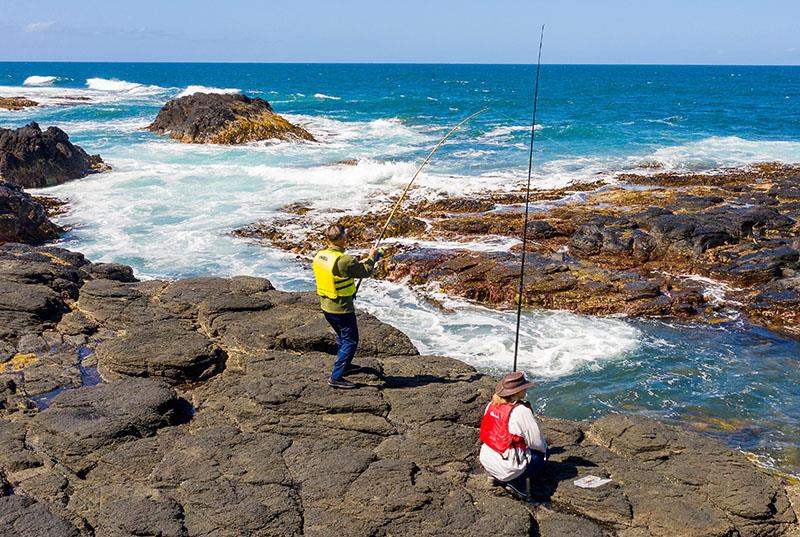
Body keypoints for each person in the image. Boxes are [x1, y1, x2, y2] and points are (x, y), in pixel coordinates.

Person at [312, 224, 381, 389]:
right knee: (350, 341)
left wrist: (368, 259)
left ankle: (346, 365)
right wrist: (372, 257)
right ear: (342, 238)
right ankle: (336, 377)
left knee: (342, 337)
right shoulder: (345, 260)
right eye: (345, 236)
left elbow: (348, 268)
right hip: (341, 308)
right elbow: (365, 272)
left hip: (326, 305)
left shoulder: (321, 255)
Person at [479, 371, 548, 501]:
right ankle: (517, 483)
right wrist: (544, 448)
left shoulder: (492, 404)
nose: (526, 389)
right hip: (507, 467)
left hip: (486, 458)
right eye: (524, 387)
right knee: (542, 454)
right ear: (517, 392)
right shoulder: (521, 411)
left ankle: (496, 476)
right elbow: (537, 443)